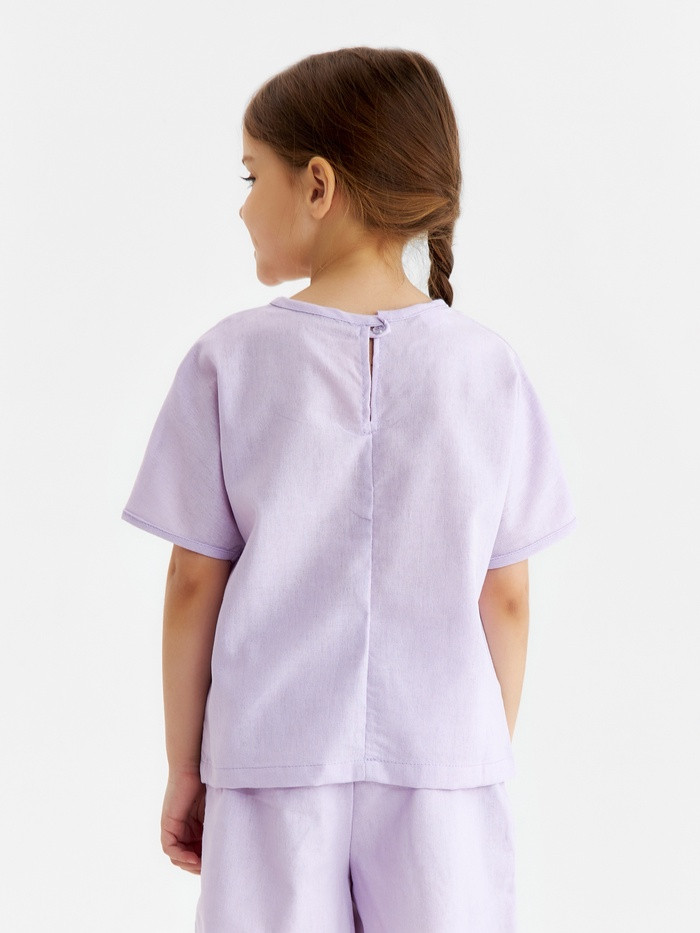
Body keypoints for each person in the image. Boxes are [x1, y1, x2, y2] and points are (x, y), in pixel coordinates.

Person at [121, 46, 578, 932]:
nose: (243, 204)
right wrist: (474, 748)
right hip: (443, 757)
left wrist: (186, 766)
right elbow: (508, 597)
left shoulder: (229, 360)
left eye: (253, 175)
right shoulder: (488, 368)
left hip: (271, 751)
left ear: (318, 184)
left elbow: (192, 581)